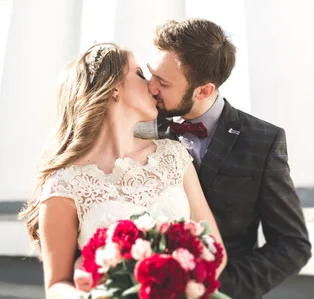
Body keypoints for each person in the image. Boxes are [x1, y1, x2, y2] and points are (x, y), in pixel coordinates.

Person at [80, 19, 311, 298]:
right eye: (150, 74)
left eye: (163, 82)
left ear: (204, 90)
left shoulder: (263, 140)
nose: (150, 87)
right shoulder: (137, 127)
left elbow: (292, 245)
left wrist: (214, 288)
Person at [19, 43, 227, 298]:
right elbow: (56, 287)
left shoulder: (172, 156)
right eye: (140, 74)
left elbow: (215, 249)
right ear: (113, 88)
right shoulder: (64, 184)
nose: (152, 85)